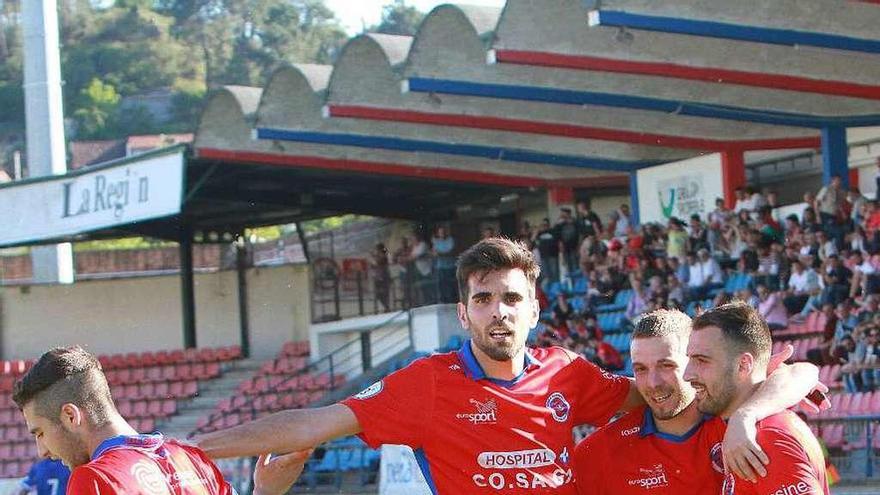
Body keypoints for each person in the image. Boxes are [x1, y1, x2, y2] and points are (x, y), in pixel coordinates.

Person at [194, 238, 790, 493]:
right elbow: (309, 424)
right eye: (483, 299)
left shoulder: (568, 375)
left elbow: (671, 389)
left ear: (534, 307)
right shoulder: (425, 385)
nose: (497, 313)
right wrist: (185, 449)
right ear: (463, 313)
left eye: (511, 298)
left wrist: (758, 403)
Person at [574, 309, 822, 494]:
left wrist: (744, 416)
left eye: (667, 365)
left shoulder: (744, 432)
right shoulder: (598, 453)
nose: (653, 382)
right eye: (640, 368)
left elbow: (797, 372)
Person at [11, 346, 305, 495]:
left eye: (39, 433)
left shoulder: (96, 480)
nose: (42, 451)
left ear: (70, 416)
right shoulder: (191, 459)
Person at [684, 302, 830, 494]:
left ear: (743, 365)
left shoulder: (765, 439)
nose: (687, 374)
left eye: (701, 360)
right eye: (689, 359)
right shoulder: (745, 429)